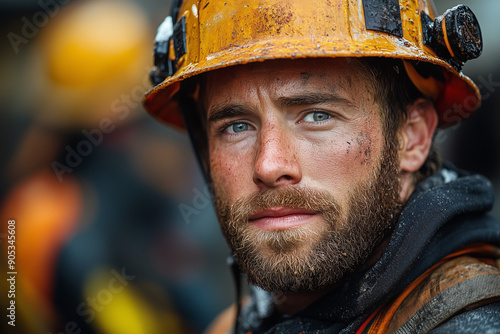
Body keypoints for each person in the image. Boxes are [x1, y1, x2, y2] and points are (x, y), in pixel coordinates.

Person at [142, 0, 500, 333]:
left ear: (413, 138)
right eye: (237, 126)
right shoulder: (239, 322)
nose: (269, 165)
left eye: (316, 116)